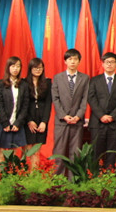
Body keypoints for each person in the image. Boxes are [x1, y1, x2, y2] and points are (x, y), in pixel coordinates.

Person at [51, 48, 90, 179]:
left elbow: (85, 99)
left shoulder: (85, 78)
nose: (72, 61)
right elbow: (55, 99)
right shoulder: (58, 78)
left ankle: (73, 180)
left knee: (75, 152)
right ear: (65, 61)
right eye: (70, 59)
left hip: (77, 121)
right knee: (59, 151)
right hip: (61, 121)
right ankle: (57, 180)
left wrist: (78, 116)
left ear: (79, 61)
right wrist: (63, 115)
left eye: (75, 59)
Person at [88, 52, 116, 170]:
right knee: (96, 152)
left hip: (114, 123)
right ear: (103, 64)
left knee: (112, 152)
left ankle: (109, 176)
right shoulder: (95, 80)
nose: (109, 64)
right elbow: (91, 98)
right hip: (98, 122)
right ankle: (95, 176)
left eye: (112, 62)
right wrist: (101, 116)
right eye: (107, 62)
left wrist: (112, 116)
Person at [0, 56, 30, 163]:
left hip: (17, 124)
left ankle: (13, 173)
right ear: (8, 67)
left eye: (18, 66)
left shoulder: (24, 85)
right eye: (13, 66)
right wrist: (5, 123)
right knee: (1, 153)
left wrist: (18, 123)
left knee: (15, 155)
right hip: (3, 123)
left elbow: (25, 105)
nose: (16, 69)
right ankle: (0, 173)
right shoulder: (0, 84)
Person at [24, 57, 52, 170]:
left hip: (41, 118)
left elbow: (48, 103)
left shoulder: (47, 82)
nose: (38, 70)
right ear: (30, 69)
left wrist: (44, 122)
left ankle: (34, 175)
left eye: (40, 68)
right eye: (35, 68)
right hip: (27, 118)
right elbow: (23, 104)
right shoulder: (24, 82)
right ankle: (25, 173)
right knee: (28, 149)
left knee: (36, 149)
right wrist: (29, 121)